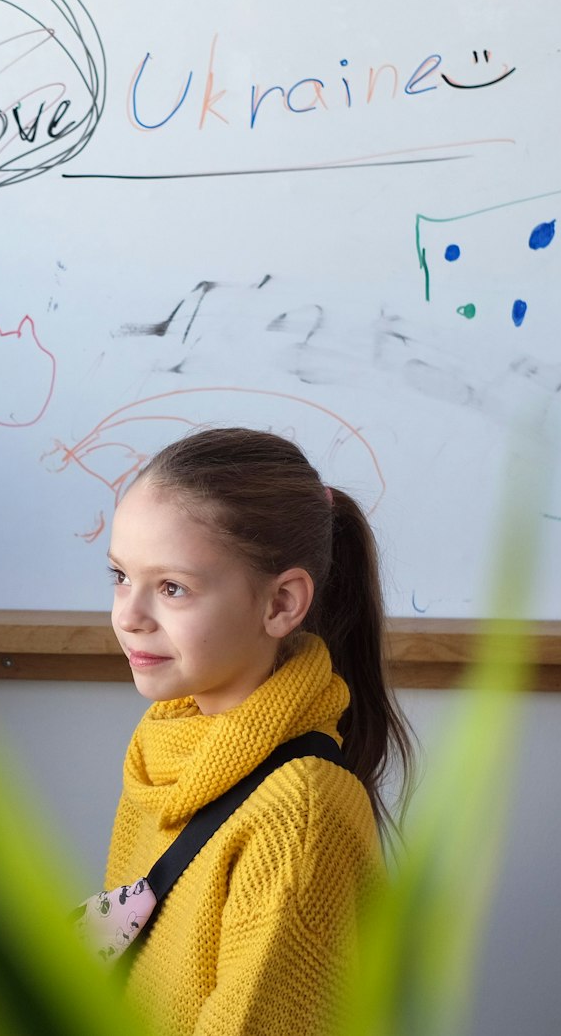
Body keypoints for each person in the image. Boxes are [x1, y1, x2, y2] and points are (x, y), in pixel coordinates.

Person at [101, 427, 413, 1035]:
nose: (128, 615)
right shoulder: (165, 751)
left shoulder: (299, 818)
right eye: (118, 576)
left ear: (281, 604)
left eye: (172, 588)